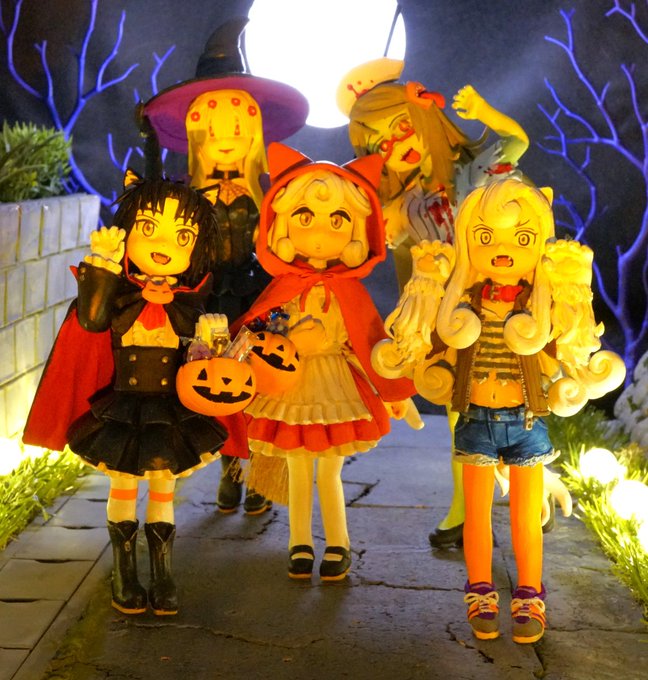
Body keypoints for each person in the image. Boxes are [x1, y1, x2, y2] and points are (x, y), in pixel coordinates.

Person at [405, 178, 624, 642]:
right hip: (476, 420)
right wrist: (425, 284)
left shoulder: (539, 307)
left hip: (526, 421)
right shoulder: (461, 305)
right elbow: (431, 349)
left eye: (521, 238)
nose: (502, 250)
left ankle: (529, 593)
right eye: (486, 237)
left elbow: (564, 350)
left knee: (526, 516)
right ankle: (480, 590)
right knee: (477, 513)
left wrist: (572, 289)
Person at [23, 172, 249, 615]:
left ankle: (163, 573)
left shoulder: (190, 303)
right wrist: (102, 265)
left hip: (171, 411)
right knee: (124, 484)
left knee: (164, 488)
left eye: (183, 236)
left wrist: (214, 340)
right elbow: (90, 321)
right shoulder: (119, 296)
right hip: (123, 408)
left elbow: (202, 358)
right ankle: (124, 573)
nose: (165, 245)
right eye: (149, 228)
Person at [337, 57, 530, 548]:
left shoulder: (469, 172)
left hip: (499, 305)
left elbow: (515, 142)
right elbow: (390, 260)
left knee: (516, 408)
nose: (396, 144)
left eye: (400, 125)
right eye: (380, 143)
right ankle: (467, 510)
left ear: (422, 116)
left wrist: (482, 112)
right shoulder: (399, 207)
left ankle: (529, 496)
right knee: (461, 415)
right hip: (446, 319)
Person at [143, 18, 309, 515]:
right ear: (198, 135)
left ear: (253, 134)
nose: (227, 139)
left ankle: (257, 471)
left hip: (257, 293)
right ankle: (227, 466)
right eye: (216, 131)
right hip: (207, 297)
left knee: (260, 381)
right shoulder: (186, 195)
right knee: (214, 378)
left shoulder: (272, 191)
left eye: (238, 129)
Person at [231, 143, 414, 580]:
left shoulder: (350, 290)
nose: (320, 232)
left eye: (337, 220)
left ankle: (337, 543)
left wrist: (393, 391)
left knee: (330, 471)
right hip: (292, 381)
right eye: (305, 217)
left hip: (335, 381)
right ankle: (299, 542)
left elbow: (369, 340)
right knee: (298, 469)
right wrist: (290, 342)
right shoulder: (282, 287)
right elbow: (253, 333)